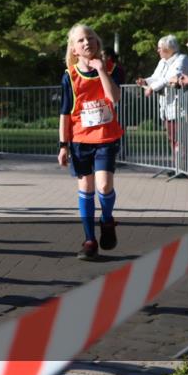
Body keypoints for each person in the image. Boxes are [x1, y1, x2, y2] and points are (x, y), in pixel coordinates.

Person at [57, 24, 123, 261]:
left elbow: (114, 98)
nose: (87, 43)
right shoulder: (69, 75)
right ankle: (89, 239)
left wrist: (102, 70)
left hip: (106, 137)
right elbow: (65, 113)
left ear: (97, 42)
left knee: (104, 185)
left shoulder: (112, 68)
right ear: (74, 49)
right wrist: (63, 145)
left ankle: (106, 220)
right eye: (81, 40)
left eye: (91, 38)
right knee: (86, 188)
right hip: (80, 140)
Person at [134, 35, 188, 157]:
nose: (158, 50)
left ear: (168, 48)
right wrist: (145, 81)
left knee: (179, 139)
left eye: (160, 48)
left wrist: (151, 87)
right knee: (172, 137)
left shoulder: (182, 59)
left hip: (179, 107)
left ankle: (181, 167)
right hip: (167, 107)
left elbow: (170, 77)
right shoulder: (162, 61)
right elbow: (156, 77)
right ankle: (175, 166)